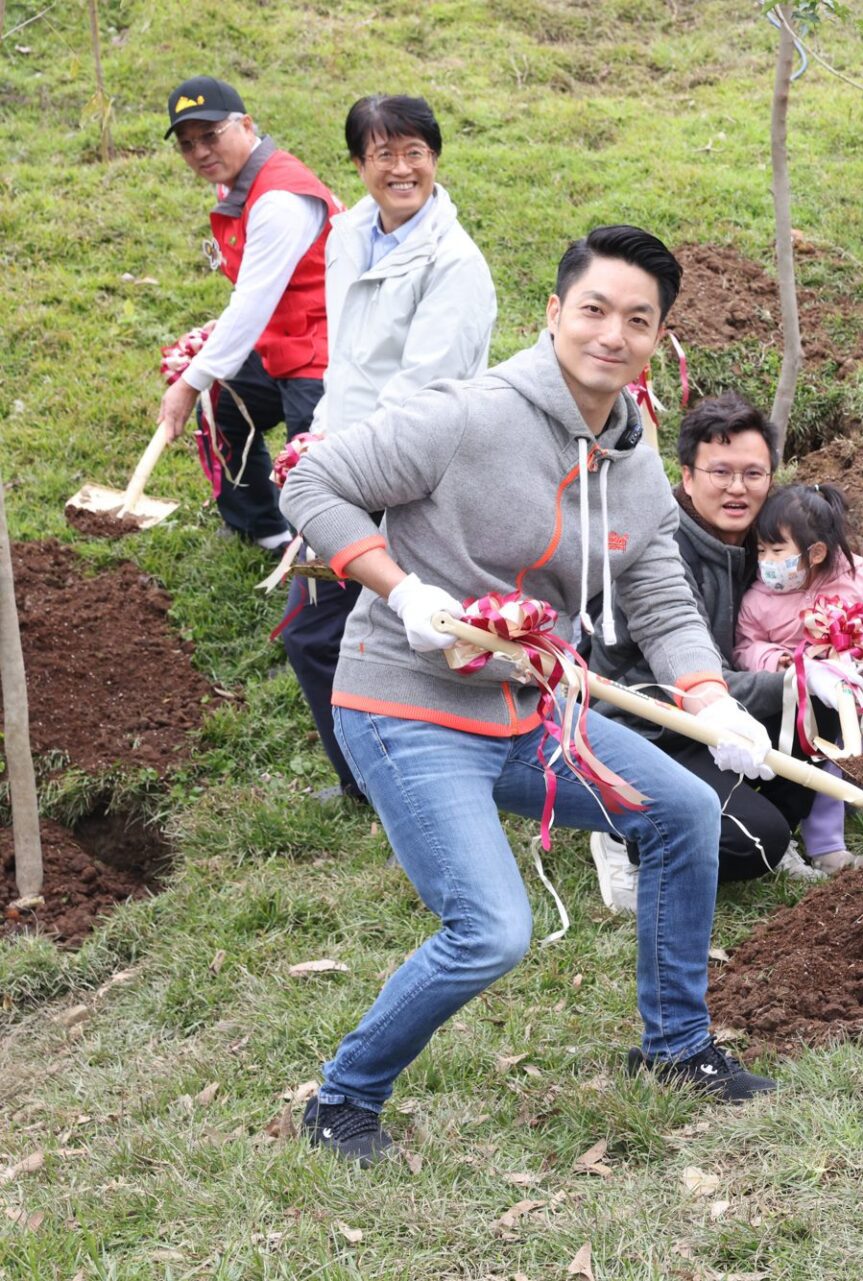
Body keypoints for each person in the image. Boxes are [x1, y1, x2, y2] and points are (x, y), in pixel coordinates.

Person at [279, 226, 779, 1166]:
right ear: (554, 314)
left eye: (638, 319)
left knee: (680, 813)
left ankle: (676, 1050)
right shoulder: (466, 414)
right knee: (491, 930)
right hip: (407, 706)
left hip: (528, 709)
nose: (611, 333)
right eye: (593, 310)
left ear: (658, 338)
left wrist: (713, 700)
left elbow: (660, 594)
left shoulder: (631, 458)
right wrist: (403, 588)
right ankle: (343, 1098)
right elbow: (316, 480)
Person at [281, 94, 497, 804]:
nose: (401, 169)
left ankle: (384, 777)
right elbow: (349, 355)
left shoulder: (455, 267)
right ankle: (387, 772)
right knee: (347, 631)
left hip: (403, 467)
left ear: (435, 158)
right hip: (345, 455)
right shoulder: (349, 232)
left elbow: (421, 392)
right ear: (358, 164)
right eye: (384, 155)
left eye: (416, 154)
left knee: (326, 634)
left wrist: (334, 468)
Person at [587, 393, 823, 905]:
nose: (738, 488)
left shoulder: (768, 545)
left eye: (753, 474)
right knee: (754, 844)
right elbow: (689, 680)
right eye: (721, 472)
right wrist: (795, 682)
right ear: (688, 476)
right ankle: (620, 834)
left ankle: (770, 818)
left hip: (721, 718)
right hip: (649, 730)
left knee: (821, 709)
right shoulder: (657, 548)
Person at [158, 77, 342, 549]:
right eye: (188, 144)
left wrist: (189, 380)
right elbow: (257, 298)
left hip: (327, 350)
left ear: (245, 125)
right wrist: (206, 373)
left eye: (211, 136)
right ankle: (258, 527)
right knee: (221, 407)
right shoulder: (237, 186)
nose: (200, 152)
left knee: (314, 469)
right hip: (278, 339)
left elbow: (252, 302)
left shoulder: (280, 199)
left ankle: (322, 560)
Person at [734, 483, 863, 873]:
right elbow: (744, 645)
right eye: (761, 551)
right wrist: (777, 660)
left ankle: (852, 798)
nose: (766, 561)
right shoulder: (758, 600)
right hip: (805, 710)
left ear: (816, 552)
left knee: (857, 760)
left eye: (776, 551)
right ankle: (826, 847)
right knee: (826, 763)